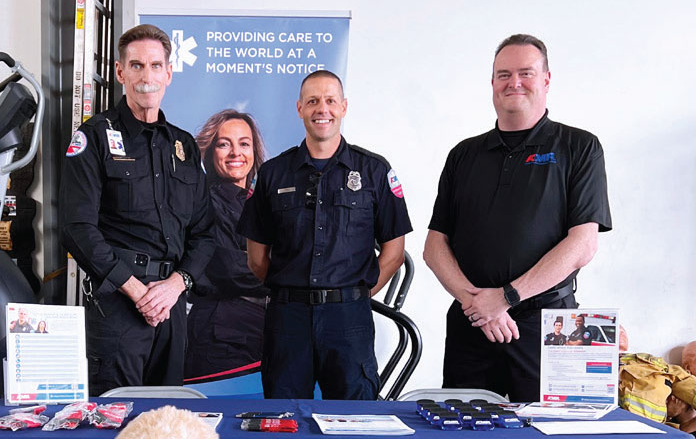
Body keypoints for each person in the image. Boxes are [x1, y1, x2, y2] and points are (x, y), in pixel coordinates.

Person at [423, 34, 612, 402]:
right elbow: (434, 246)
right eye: (503, 74)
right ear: (492, 82)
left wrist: (506, 298)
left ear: (546, 79)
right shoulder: (464, 155)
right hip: (472, 324)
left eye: (525, 73)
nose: (514, 83)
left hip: (549, 327)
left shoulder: (580, 147)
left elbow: (582, 245)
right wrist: (478, 305)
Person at [238, 70, 412, 399]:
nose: (323, 109)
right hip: (288, 319)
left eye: (331, 100)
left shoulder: (373, 171)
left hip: (349, 321)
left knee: (354, 422)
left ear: (344, 107)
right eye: (313, 101)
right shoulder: (273, 173)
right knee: (284, 422)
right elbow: (257, 257)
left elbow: (394, 252)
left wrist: (353, 294)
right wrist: (295, 291)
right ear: (299, 108)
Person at [60, 24, 213, 396]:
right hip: (117, 307)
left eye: (156, 66)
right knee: (114, 429)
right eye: (137, 66)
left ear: (169, 73)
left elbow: (206, 233)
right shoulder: (94, 136)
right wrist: (135, 290)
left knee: (167, 427)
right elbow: (77, 228)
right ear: (120, 72)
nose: (147, 77)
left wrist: (175, 286)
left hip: (171, 306)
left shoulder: (184, 146)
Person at [184, 110, 268, 381]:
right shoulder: (205, 204)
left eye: (244, 144)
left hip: (257, 329)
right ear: (210, 152)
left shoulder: (258, 203)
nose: (235, 153)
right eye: (224, 144)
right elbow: (232, 269)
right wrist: (293, 276)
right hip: (221, 335)